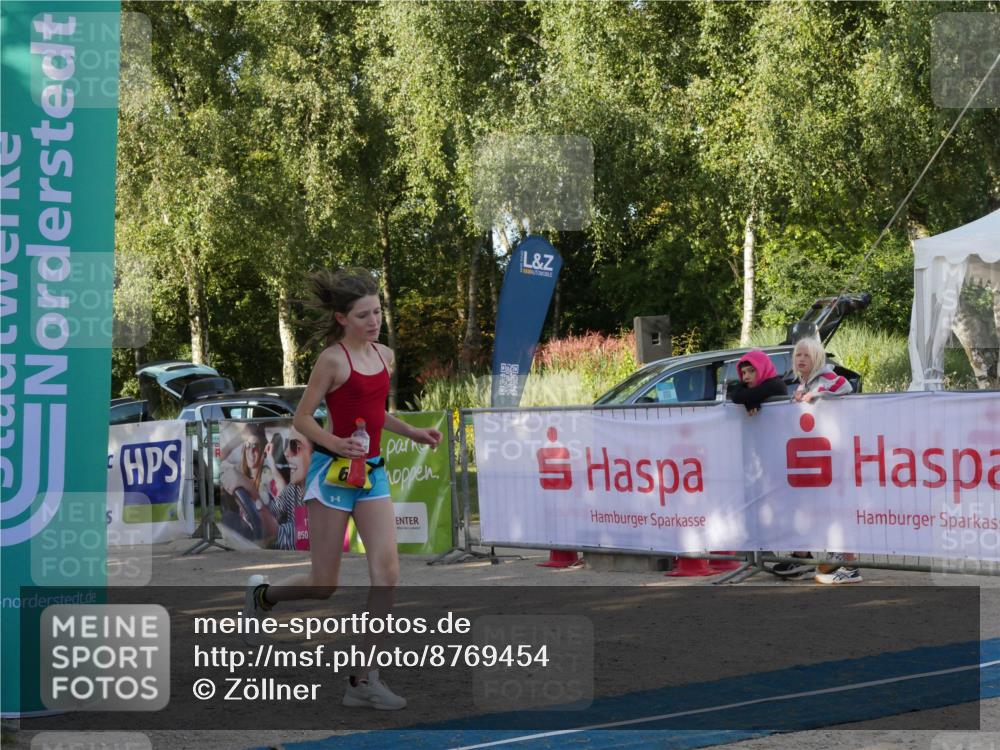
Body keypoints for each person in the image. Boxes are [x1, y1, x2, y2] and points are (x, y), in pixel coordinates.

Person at [242, 267, 442, 710]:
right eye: (363, 315)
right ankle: (263, 596)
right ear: (341, 319)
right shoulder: (332, 360)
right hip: (332, 475)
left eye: (377, 313)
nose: (374, 322)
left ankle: (362, 679)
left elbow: (375, 412)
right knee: (323, 584)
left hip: (372, 474)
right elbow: (302, 418)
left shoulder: (384, 355)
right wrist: (335, 443)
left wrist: (412, 431)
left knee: (387, 575)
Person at [772, 336, 861, 584]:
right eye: (798, 355)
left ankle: (851, 566)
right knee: (819, 508)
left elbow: (845, 386)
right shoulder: (801, 382)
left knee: (838, 508)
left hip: (833, 453)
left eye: (806, 355)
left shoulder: (825, 376)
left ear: (817, 358)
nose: (801, 359)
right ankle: (820, 559)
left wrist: (817, 393)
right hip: (814, 455)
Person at [219, 423, 279, 542]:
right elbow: (218, 460)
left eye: (256, 446)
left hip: (265, 534)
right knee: (228, 518)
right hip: (245, 531)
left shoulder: (271, 480)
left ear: (264, 452)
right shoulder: (239, 472)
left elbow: (279, 513)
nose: (252, 450)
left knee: (228, 519)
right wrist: (241, 437)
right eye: (248, 446)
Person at [269, 425, 312, 551]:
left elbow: (283, 536)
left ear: (315, 454)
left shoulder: (324, 494)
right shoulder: (293, 488)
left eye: (295, 447)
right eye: (287, 444)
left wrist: (255, 499)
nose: (286, 453)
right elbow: (275, 509)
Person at [730, 349, 788, 416]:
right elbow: (739, 395)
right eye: (743, 373)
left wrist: (748, 401)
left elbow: (738, 396)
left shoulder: (776, 384)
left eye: (751, 371)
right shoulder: (754, 386)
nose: (746, 377)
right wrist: (750, 401)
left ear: (763, 368)